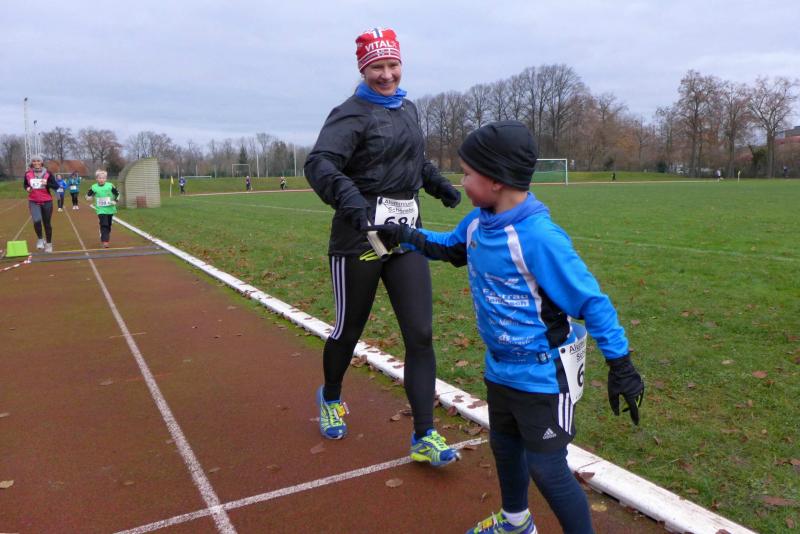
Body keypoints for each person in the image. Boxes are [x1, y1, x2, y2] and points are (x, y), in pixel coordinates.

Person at [368, 121, 645, 534]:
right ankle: (516, 523)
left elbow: (592, 302)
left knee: (547, 469)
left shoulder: (540, 238)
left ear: (496, 179)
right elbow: (449, 248)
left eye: (467, 173)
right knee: (504, 445)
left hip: (543, 375)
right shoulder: (478, 223)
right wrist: (405, 235)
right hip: (500, 368)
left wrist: (621, 365)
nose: (461, 182)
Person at [304, 26, 463, 467]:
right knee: (348, 330)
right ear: (363, 69)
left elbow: (414, 160)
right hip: (359, 235)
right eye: (377, 66)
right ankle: (331, 397)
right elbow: (320, 163)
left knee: (421, 334)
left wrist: (436, 183)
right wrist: (352, 200)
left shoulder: (408, 108)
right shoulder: (349, 114)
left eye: (393, 65)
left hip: (405, 237)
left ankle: (424, 434)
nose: (387, 74)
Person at [23, 154, 58, 253]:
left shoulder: (48, 173)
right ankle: (40, 239)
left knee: (47, 223)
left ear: (41, 162)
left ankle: (49, 244)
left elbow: (56, 186)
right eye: (34, 161)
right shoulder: (28, 173)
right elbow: (25, 184)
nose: (36, 163)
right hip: (33, 200)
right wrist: (27, 188)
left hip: (47, 201)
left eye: (38, 161)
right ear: (32, 163)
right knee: (37, 220)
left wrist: (47, 183)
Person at [85, 170, 120, 248]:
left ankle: (103, 235)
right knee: (104, 224)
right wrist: (88, 198)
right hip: (100, 209)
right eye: (100, 178)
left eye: (103, 178)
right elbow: (88, 195)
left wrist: (115, 201)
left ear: (106, 179)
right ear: (97, 179)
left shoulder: (110, 186)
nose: (101, 179)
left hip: (110, 209)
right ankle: (105, 241)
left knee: (108, 225)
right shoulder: (94, 187)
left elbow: (117, 194)